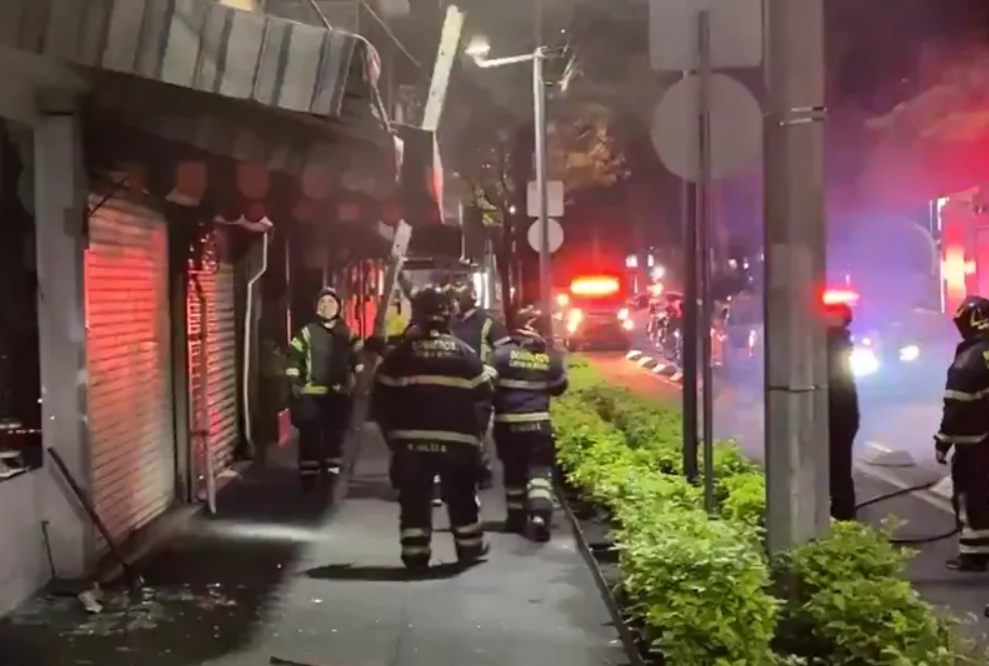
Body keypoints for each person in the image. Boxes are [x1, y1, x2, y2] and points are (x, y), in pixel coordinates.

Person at [372, 285, 494, 570]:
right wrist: (475, 438)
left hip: (410, 444)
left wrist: (394, 437)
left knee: (414, 500)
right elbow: (484, 398)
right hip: (457, 443)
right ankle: (469, 548)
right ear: (447, 314)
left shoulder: (399, 355)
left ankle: (415, 554)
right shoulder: (466, 354)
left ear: (417, 314)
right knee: (461, 497)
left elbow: (380, 399)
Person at [489, 305, 568, 541]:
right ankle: (539, 515)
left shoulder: (500, 355)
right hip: (539, 424)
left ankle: (515, 519)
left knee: (513, 473)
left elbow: (487, 385)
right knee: (540, 472)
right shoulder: (550, 357)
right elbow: (559, 387)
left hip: (507, 425)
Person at [286, 287, 363, 490]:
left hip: (338, 394)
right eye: (322, 303)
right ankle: (309, 474)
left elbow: (359, 359)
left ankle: (332, 473)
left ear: (338, 307)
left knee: (335, 436)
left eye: (330, 302)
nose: (326, 306)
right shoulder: (306, 333)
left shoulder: (347, 334)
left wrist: (361, 379)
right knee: (310, 435)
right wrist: (295, 382)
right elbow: (294, 360)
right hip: (310, 395)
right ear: (316, 307)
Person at [935, 296, 989, 571]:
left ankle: (974, 553)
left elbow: (957, 404)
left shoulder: (970, 360)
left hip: (976, 444)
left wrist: (943, 441)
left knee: (971, 496)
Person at [450, 283, 510, 489]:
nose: (454, 304)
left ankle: (482, 470)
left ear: (469, 299)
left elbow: (503, 352)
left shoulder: (488, 322)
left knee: (477, 429)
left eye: (457, 299)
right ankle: (466, 470)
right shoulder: (452, 322)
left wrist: (492, 375)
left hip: (481, 385)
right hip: (456, 384)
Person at [825, 299, 860, 522]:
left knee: (837, 469)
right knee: (839, 468)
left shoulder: (833, 343)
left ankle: (842, 517)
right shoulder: (837, 341)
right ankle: (843, 515)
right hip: (841, 413)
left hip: (836, 413)